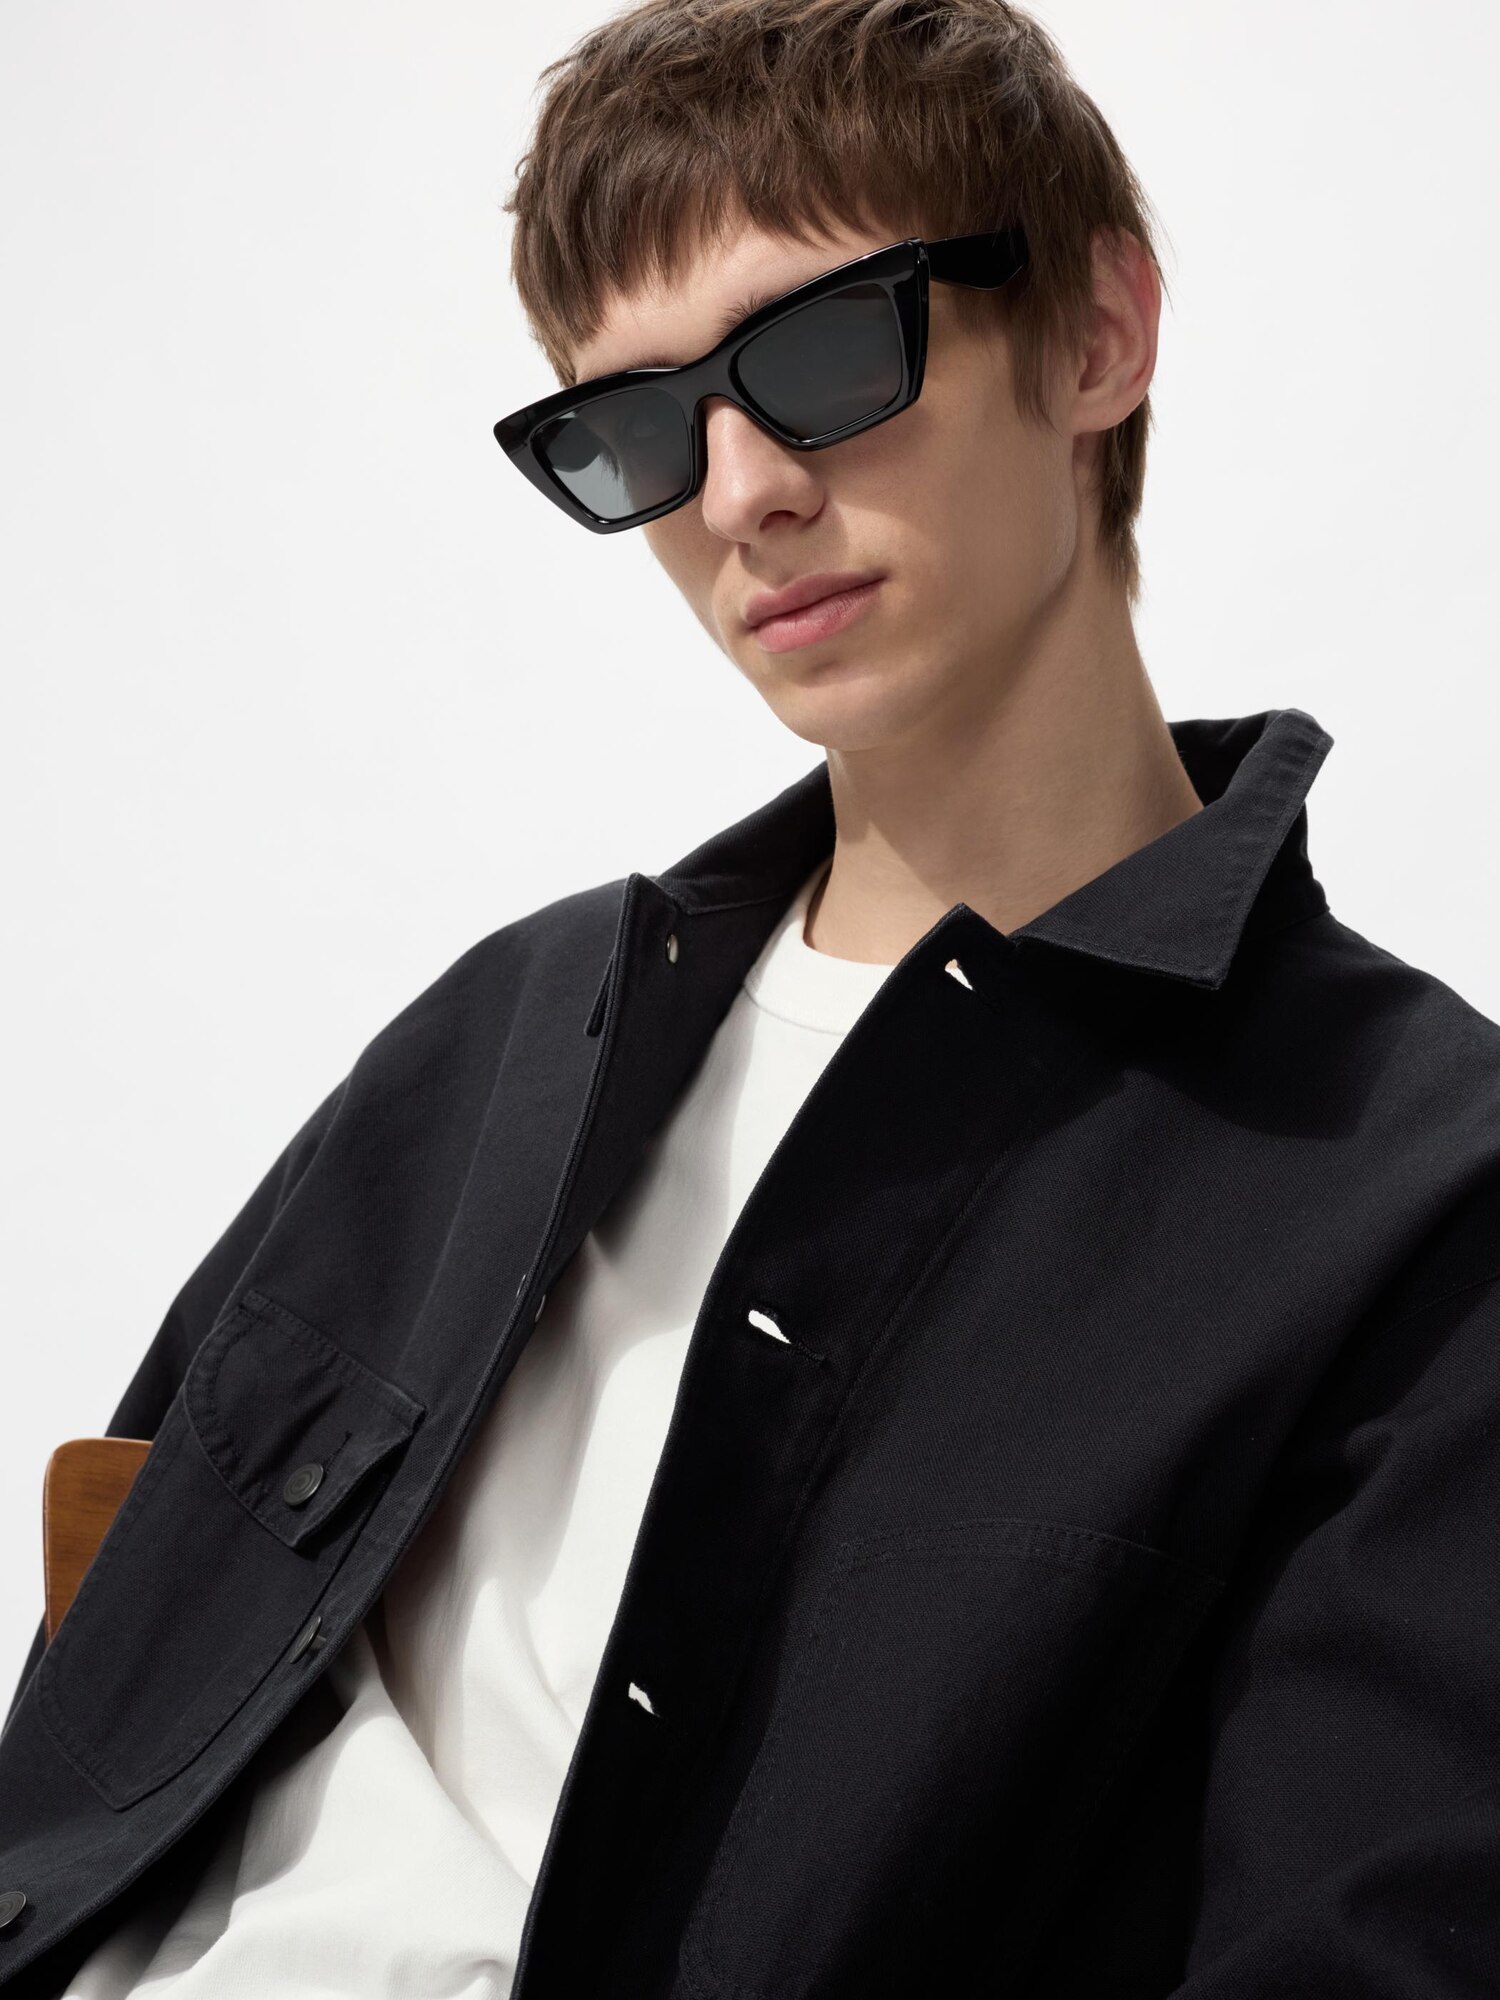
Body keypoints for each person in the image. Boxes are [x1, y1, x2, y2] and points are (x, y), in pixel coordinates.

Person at [4, 1, 1499, 1994]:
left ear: (1095, 334)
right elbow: (122, 1643)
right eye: (636, 425)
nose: (736, 494)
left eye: (821, 351)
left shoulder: (1418, 1193)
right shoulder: (511, 1036)